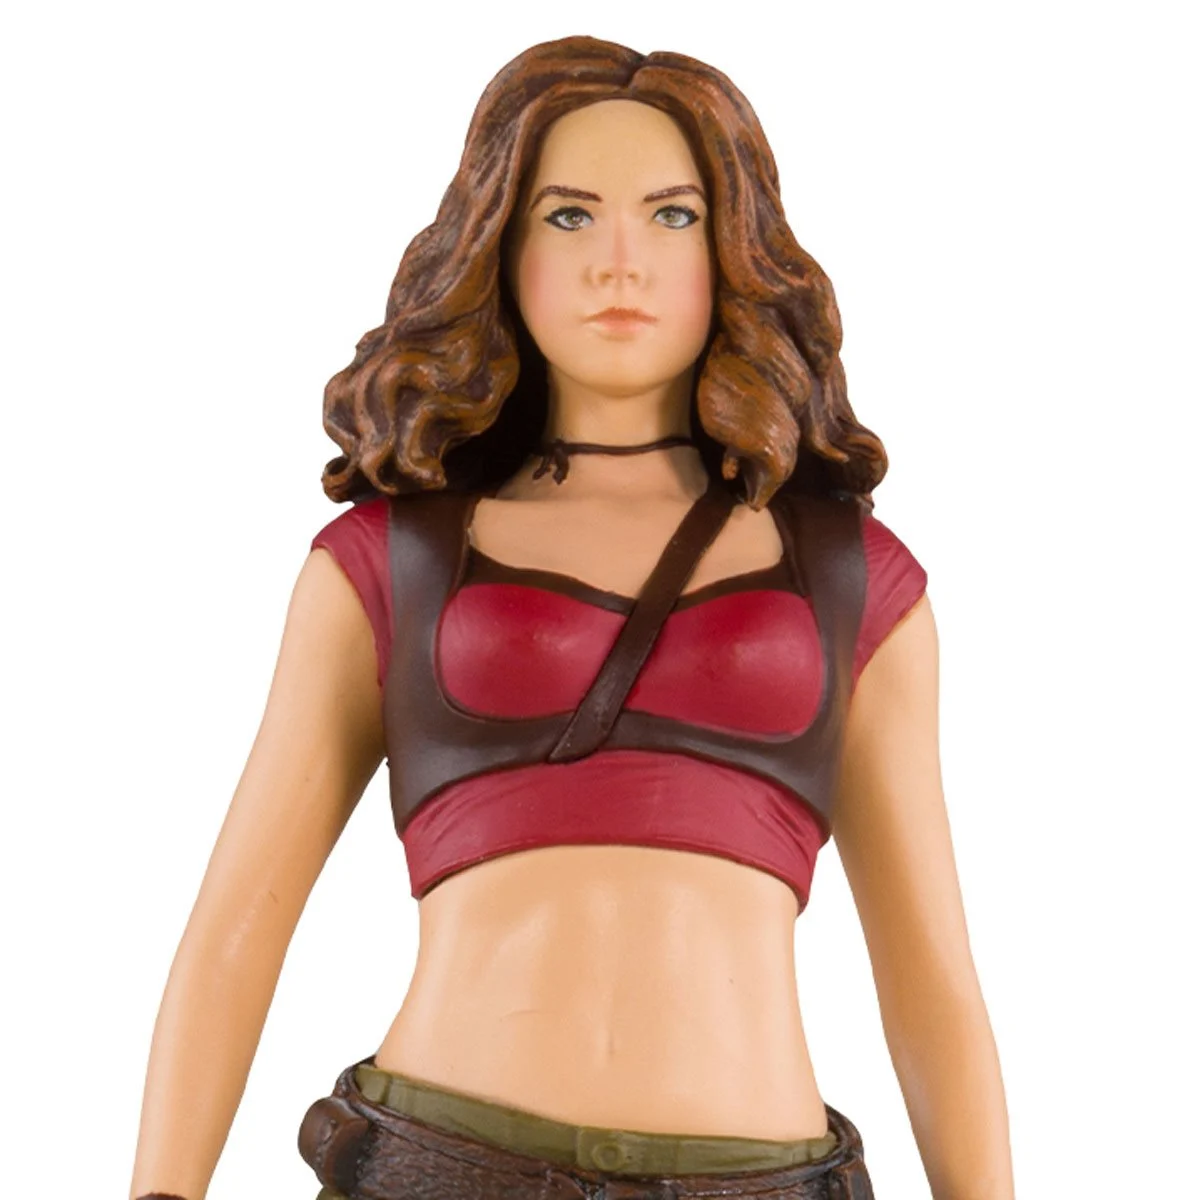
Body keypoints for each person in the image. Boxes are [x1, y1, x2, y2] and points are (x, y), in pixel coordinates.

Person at [130, 36, 1014, 1200]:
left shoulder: (856, 581)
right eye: (569, 217)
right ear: (501, 247)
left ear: (732, 248)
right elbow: (237, 928)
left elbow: (931, 978)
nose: (619, 263)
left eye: (672, 216)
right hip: (443, 1167)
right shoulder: (389, 562)